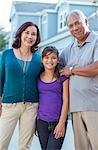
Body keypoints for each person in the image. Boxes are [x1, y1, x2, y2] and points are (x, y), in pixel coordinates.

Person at [59, 9, 98, 150]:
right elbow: (52, 65)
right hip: (75, 109)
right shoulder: (69, 49)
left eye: (78, 23)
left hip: (94, 107)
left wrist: (72, 70)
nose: (75, 28)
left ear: (86, 22)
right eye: (71, 26)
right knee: (81, 147)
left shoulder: (96, 41)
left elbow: (96, 68)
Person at [0, 21, 42, 150]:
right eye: (27, 32)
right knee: (1, 143)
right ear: (20, 33)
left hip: (31, 107)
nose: (30, 36)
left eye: (33, 34)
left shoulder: (38, 59)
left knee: (25, 147)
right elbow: (0, 80)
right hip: (9, 106)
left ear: (37, 38)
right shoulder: (7, 54)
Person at [36, 46, 69, 150]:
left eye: (53, 58)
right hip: (41, 123)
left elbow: (66, 100)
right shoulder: (37, 77)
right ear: (42, 60)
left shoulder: (63, 77)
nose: (50, 60)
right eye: (47, 57)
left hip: (57, 122)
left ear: (58, 60)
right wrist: (35, 123)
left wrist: (61, 123)